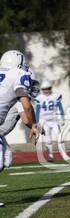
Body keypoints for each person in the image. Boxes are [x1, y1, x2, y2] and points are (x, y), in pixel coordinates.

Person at [0, 50, 42, 199]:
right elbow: (26, 114)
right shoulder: (18, 76)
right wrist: (35, 126)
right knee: (1, 159)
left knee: (6, 157)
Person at [35, 80, 66, 162]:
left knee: (60, 139)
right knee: (47, 140)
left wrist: (62, 118)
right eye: (44, 89)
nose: (46, 91)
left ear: (50, 88)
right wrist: (37, 122)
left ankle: (64, 155)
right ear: (42, 89)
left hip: (54, 121)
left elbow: (60, 108)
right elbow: (37, 111)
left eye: (47, 88)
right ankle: (50, 156)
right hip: (45, 122)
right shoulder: (39, 98)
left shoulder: (55, 96)